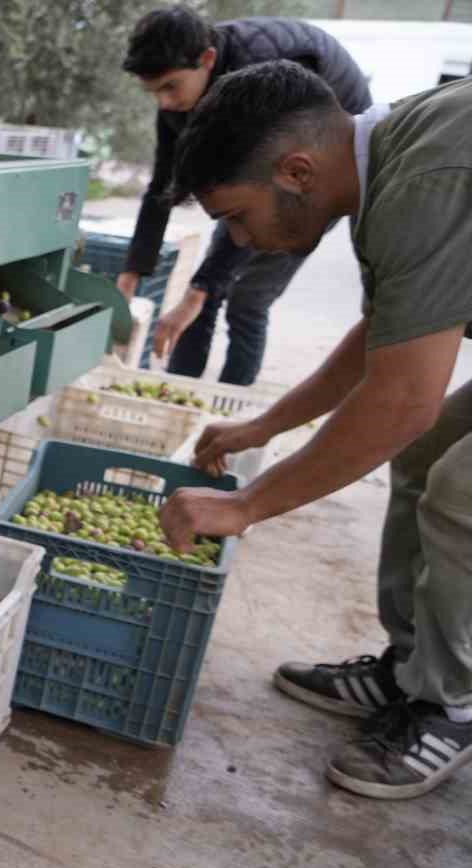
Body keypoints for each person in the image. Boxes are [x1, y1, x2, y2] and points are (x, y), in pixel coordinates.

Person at [157, 61, 472, 800]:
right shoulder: (390, 165)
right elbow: (387, 338)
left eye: (238, 215)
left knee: (461, 493)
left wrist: (247, 505)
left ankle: (450, 704)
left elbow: (402, 398)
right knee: (426, 456)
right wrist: (264, 424)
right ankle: (410, 668)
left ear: (297, 171)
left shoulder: (425, 179)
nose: (240, 238)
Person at [117, 7, 370, 385]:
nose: (163, 103)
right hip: (265, 171)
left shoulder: (264, 73)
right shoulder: (177, 100)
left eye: (170, 86)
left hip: (323, 169)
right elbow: (161, 189)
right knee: (205, 289)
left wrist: (201, 288)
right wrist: (131, 274)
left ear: (207, 59)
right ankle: (178, 388)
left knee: (246, 300)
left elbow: (266, 190)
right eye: (153, 92)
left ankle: (229, 411)